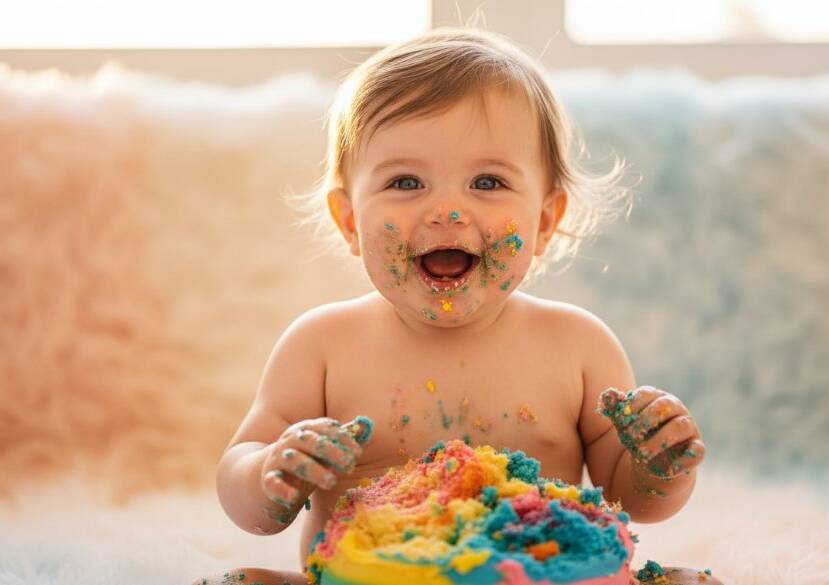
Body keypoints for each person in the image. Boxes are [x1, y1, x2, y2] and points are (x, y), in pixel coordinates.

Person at [192, 25, 722, 585]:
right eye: (405, 181)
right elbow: (241, 475)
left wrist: (659, 465)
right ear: (350, 220)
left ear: (544, 221)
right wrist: (271, 474)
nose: (446, 209)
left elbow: (631, 498)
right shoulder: (322, 344)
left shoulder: (577, 346)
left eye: (488, 182)